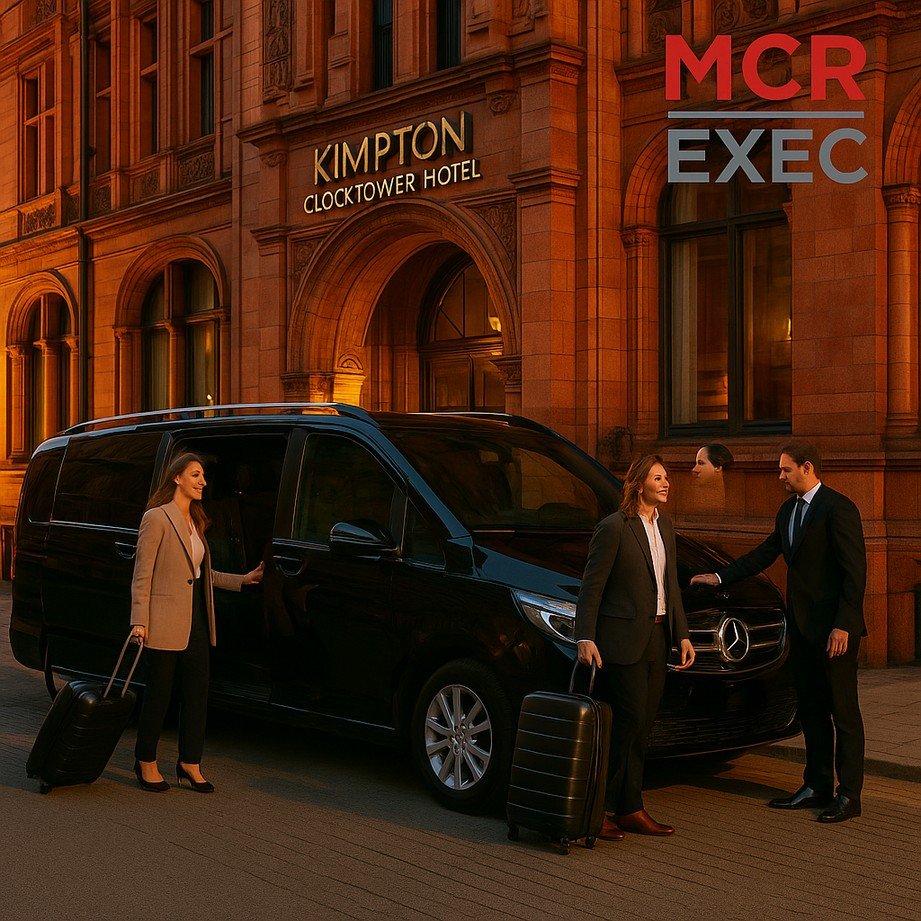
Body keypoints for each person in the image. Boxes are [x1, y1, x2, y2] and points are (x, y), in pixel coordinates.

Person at [691, 441, 867, 823]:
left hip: (835, 633)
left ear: (807, 468)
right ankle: (817, 786)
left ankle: (849, 795)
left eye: (786, 469)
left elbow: (855, 574)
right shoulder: (788, 510)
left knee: (844, 713)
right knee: (812, 710)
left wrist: (843, 625)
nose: (780, 476)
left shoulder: (839, 508)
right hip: (802, 629)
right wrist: (719, 576)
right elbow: (764, 553)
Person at [575, 455, 695, 841]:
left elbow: (670, 585)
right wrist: (585, 636)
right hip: (620, 641)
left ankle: (629, 808)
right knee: (626, 722)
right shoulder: (614, 527)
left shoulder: (666, 526)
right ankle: (592, 809)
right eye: (658, 478)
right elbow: (592, 586)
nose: (666, 483)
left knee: (642, 725)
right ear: (639, 484)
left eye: (667, 477)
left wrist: (682, 634)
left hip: (658, 639)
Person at [129, 453, 264, 793]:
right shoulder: (156, 518)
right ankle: (145, 761)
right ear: (176, 478)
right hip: (162, 619)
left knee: (197, 693)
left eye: (203, 476)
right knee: (159, 695)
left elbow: (202, 574)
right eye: (195, 475)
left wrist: (243, 579)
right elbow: (142, 574)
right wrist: (139, 621)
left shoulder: (195, 521)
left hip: (197, 619)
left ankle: (189, 762)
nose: (203, 481)